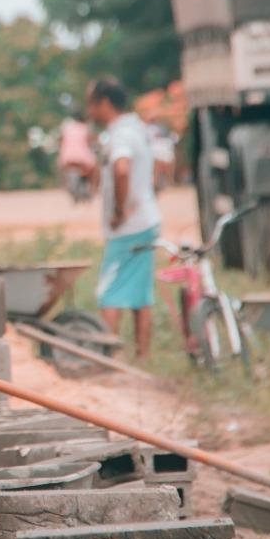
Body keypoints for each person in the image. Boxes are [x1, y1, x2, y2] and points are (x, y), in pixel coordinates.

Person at [85, 77, 161, 359]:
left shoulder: (121, 135)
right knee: (141, 296)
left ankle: (107, 360)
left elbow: (121, 169)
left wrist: (119, 211)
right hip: (146, 220)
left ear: (105, 103)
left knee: (109, 294)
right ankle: (142, 357)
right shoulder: (137, 129)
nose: (89, 110)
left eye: (91, 104)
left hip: (128, 228)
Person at [56, 112, 96, 203]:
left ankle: (65, 185)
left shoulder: (67, 128)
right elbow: (90, 142)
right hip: (82, 158)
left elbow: (61, 141)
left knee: (61, 169)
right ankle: (92, 191)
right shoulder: (85, 128)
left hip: (66, 157)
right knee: (93, 170)